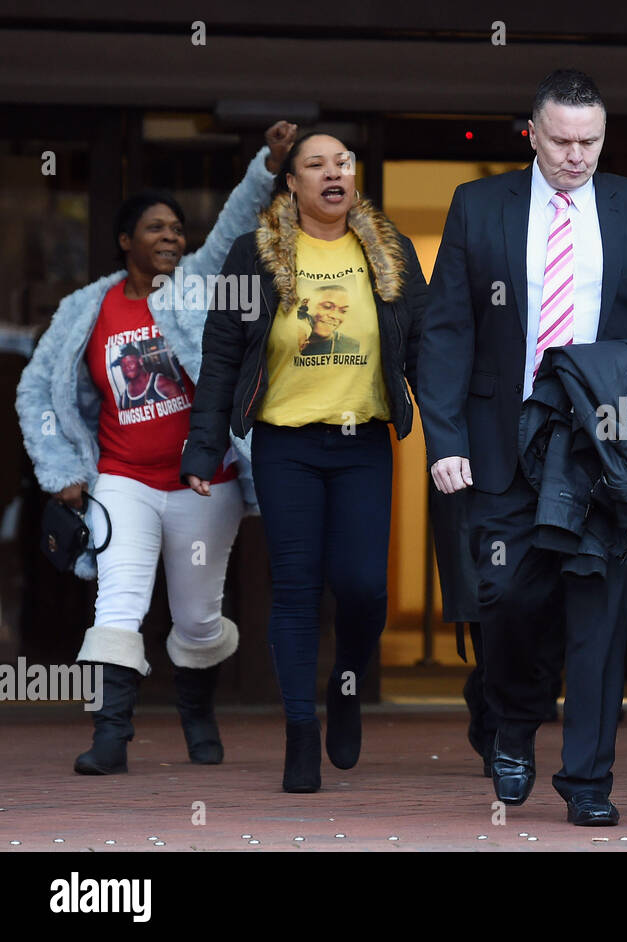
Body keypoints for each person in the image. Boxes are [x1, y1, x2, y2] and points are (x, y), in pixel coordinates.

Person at [421, 69, 627, 826]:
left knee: (600, 612)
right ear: (532, 134)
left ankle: (588, 782)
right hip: (503, 436)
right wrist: (443, 438)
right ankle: (511, 724)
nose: (577, 156)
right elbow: (448, 328)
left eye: (591, 142)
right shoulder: (480, 206)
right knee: (507, 595)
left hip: (604, 442)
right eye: (562, 141)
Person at [15, 121, 295, 774]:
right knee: (118, 599)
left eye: (175, 228)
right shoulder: (88, 309)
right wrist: (60, 470)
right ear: (125, 242)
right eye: (155, 229)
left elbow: (233, 223)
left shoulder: (196, 283)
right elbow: (35, 390)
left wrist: (268, 166)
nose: (171, 237)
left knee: (198, 618)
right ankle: (110, 735)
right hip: (123, 480)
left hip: (202, 482)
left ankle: (197, 711)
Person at [180, 131, 428, 793]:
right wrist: (204, 448)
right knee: (294, 589)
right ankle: (300, 731)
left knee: (363, 588)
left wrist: (456, 439)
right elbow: (222, 361)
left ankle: (346, 684)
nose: (331, 173)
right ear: (291, 182)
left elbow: (425, 346)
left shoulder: (391, 252)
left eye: (342, 162)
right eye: (314, 164)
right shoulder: (250, 256)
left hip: (363, 445)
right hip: (286, 444)